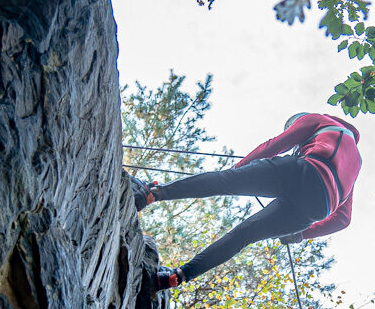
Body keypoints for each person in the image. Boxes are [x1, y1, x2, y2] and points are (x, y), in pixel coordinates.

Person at [134, 112, 361, 290]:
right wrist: (301, 234)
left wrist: (239, 169)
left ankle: (154, 193)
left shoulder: (319, 120)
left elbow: (277, 144)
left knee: (225, 182)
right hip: (316, 209)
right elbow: (343, 219)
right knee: (244, 235)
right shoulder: (355, 162)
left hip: (305, 171)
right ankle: (176, 277)